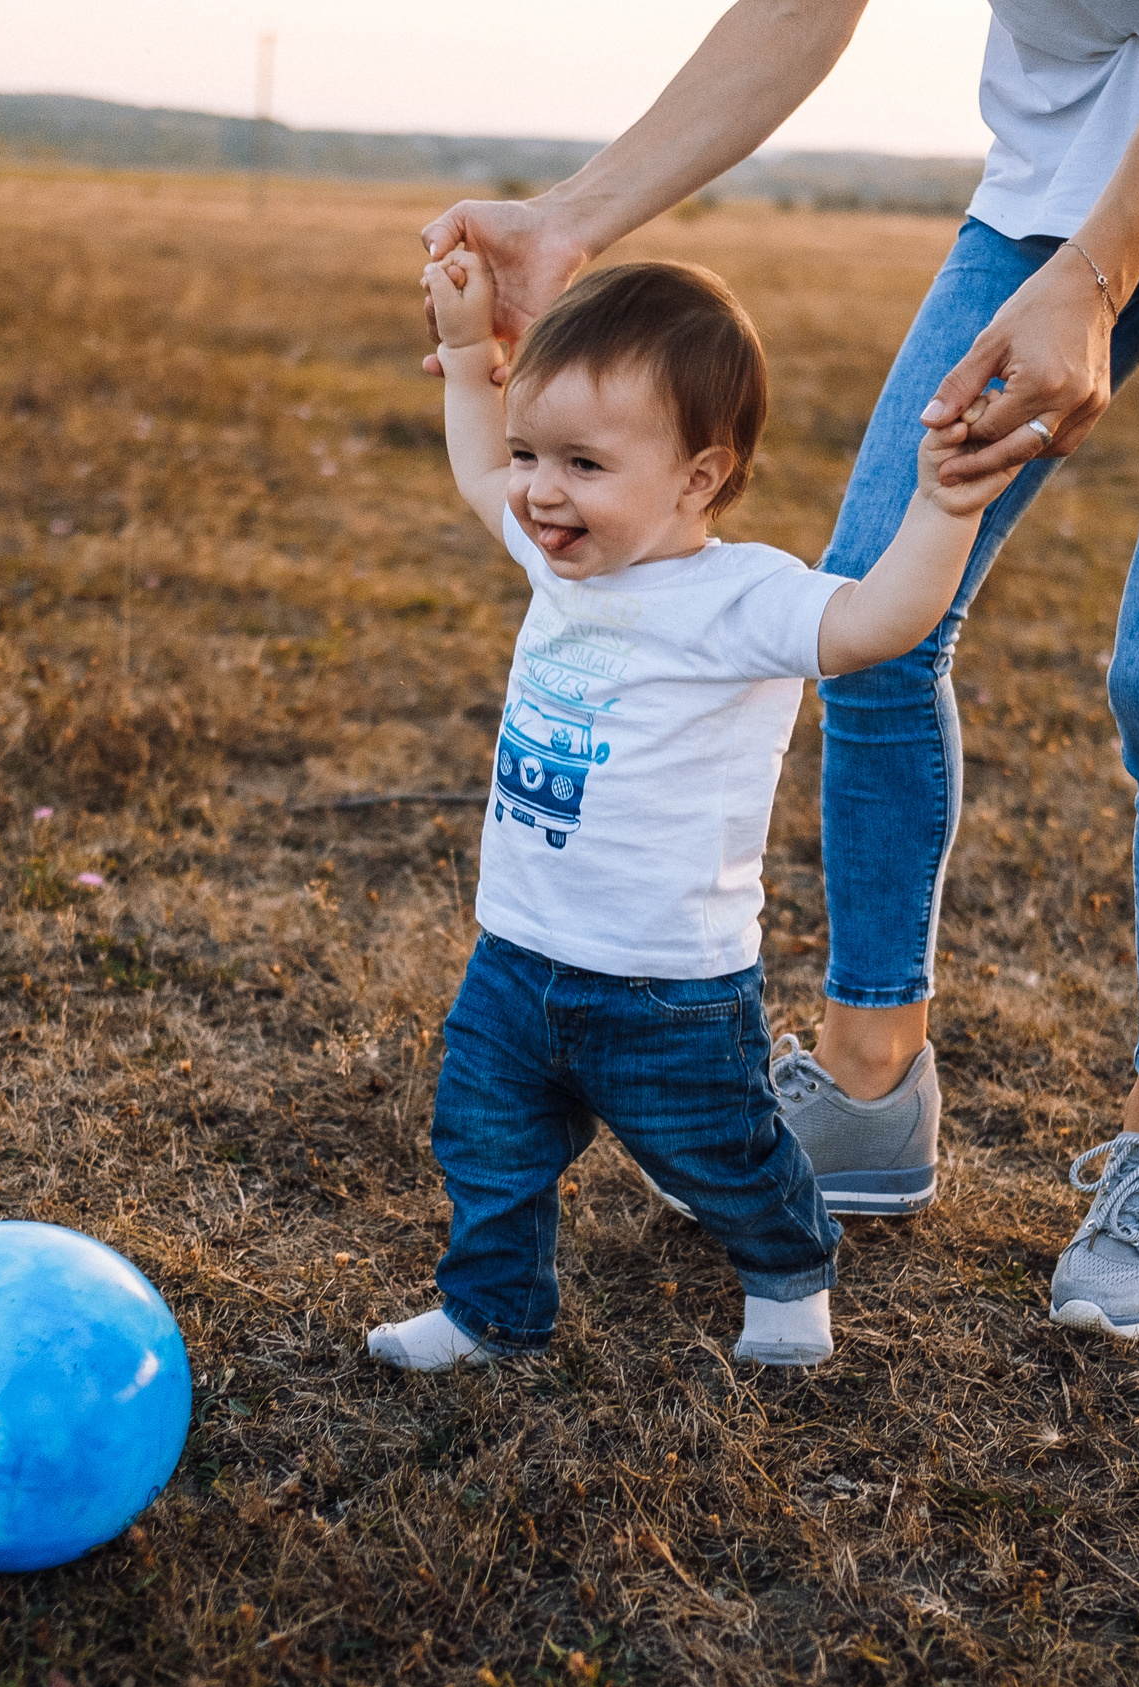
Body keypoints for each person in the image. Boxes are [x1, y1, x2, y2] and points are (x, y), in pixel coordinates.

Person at [420, 0, 1139, 1339]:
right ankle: (869, 1079)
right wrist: (573, 216)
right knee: (870, 627)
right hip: (1053, 184)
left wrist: (1097, 280)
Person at [366, 251, 1012, 1372]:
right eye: (532, 454)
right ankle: (491, 1312)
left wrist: (943, 506)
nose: (537, 491)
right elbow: (477, 470)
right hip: (516, 953)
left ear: (699, 476)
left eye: (581, 462)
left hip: (666, 978)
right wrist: (471, 355)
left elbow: (875, 625)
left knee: (723, 1147)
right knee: (483, 1143)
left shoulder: (742, 597)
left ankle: (787, 1276)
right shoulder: (563, 562)